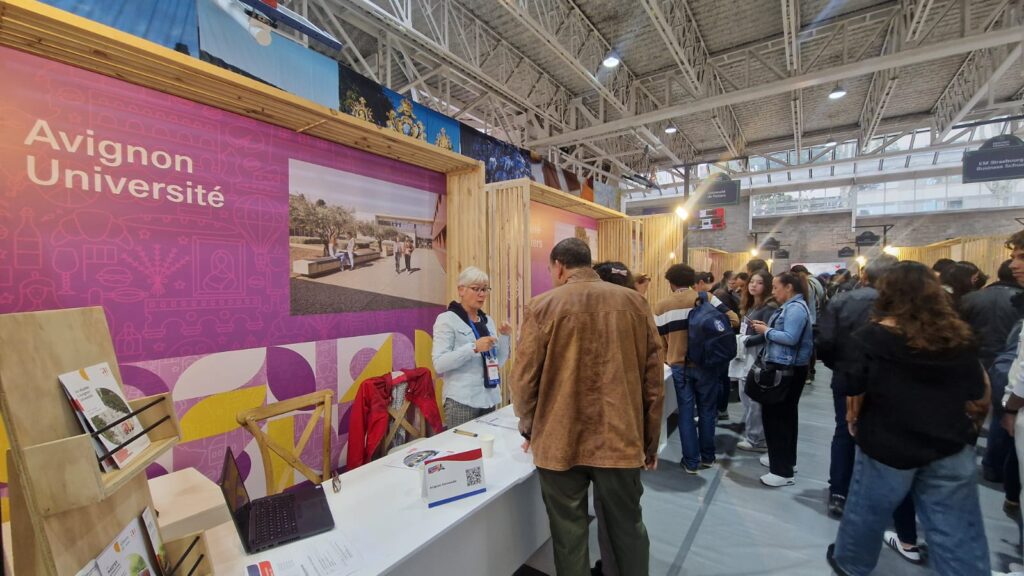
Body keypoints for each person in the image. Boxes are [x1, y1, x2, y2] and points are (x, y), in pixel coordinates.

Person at [827, 261, 991, 576]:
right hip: (949, 442)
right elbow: (976, 393)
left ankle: (851, 565)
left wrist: (854, 415)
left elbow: (849, 384)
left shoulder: (872, 337)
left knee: (866, 514)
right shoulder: (957, 337)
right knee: (958, 532)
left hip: (888, 443)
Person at [511, 238, 664, 576]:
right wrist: (650, 442)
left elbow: (523, 382)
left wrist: (528, 424)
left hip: (558, 441)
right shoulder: (636, 304)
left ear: (559, 266)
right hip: (621, 439)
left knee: (568, 533)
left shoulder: (541, 306)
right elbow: (653, 384)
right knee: (627, 528)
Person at [816, 255, 897, 517]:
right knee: (886, 434)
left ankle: (839, 492)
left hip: (847, 375)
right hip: (890, 379)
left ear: (864, 276)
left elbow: (825, 342)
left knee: (844, 431)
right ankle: (879, 497)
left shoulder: (841, 301)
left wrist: (839, 365)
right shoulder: (901, 305)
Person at [655, 264, 739, 474]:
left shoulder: (661, 306)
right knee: (707, 410)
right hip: (707, 364)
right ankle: (708, 457)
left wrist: (671, 352)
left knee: (685, 411)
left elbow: (659, 342)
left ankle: (691, 462)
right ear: (692, 280)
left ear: (671, 283)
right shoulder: (706, 298)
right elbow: (734, 319)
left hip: (678, 366)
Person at [749, 272, 813, 487]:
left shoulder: (795, 309)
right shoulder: (794, 307)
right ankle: (783, 460)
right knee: (783, 418)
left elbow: (790, 338)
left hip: (786, 369)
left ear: (789, 287)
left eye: (776, 287)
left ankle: (782, 471)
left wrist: (766, 331)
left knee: (778, 419)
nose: (773, 291)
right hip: (787, 367)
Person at [431, 267, 511, 427]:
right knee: (463, 450)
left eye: (485, 289)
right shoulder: (447, 320)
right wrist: (473, 348)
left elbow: (497, 362)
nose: (482, 294)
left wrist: (504, 337)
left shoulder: (487, 320)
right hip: (462, 401)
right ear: (461, 290)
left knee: (488, 450)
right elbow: (439, 364)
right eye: (476, 289)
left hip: (489, 398)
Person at [733, 269, 777, 453]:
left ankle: (757, 438)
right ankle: (755, 435)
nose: (753, 285)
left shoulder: (770, 307)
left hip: (757, 355)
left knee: (754, 398)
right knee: (746, 395)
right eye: (752, 282)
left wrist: (744, 341)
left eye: (758, 282)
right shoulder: (752, 306)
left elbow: (766, 334)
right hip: (746, 354)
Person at [790, 265, 824, 384]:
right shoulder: (816, 282)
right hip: (815, 319)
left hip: (806, 319)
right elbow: (822, 298)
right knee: (811, 347)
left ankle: (806, 374)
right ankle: (810, 372)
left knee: (803, 347)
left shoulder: (804, 284)